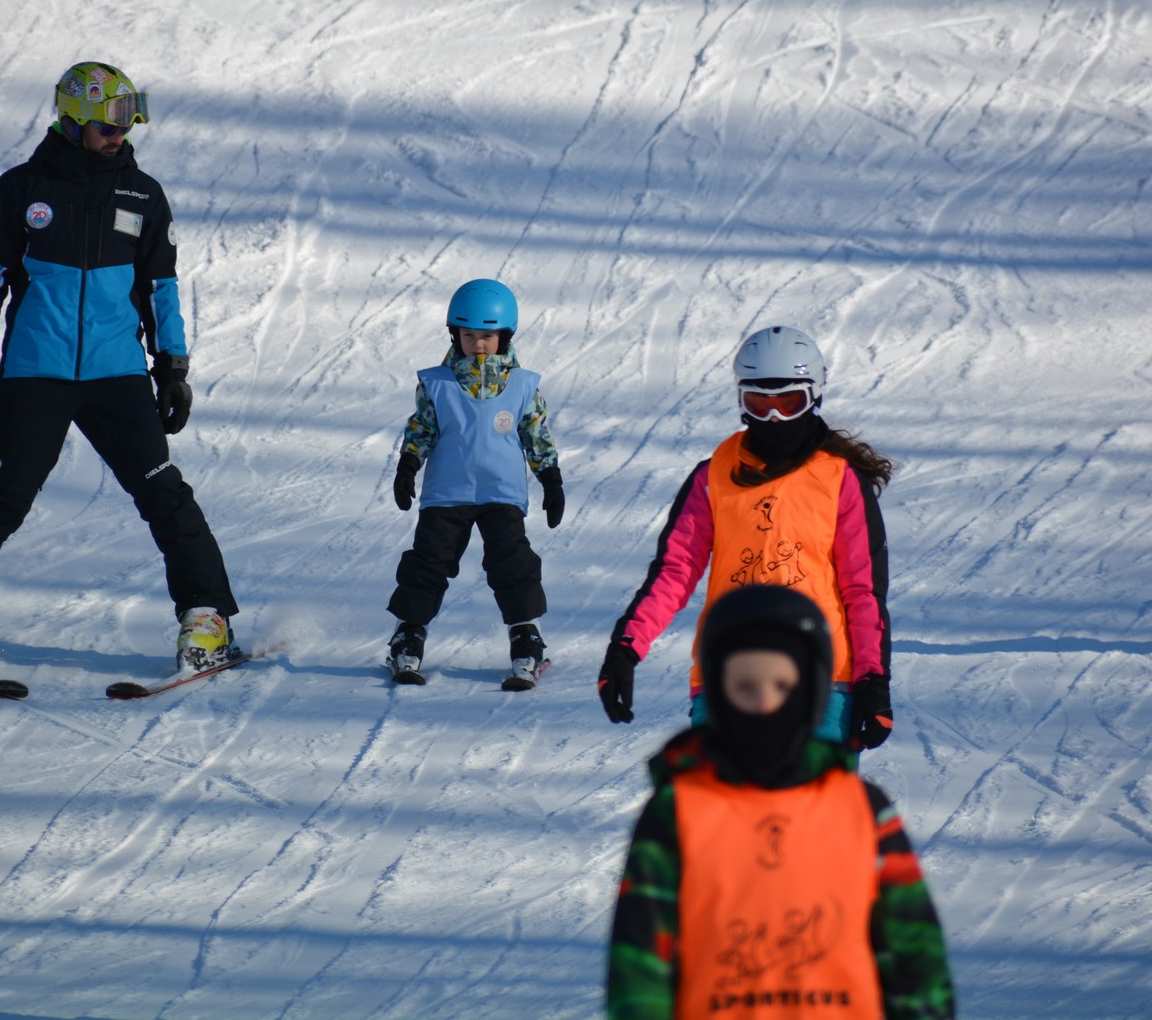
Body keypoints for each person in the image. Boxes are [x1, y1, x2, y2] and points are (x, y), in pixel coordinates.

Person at [0, 61, 239, 675]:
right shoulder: (20, 190)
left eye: (129, 122)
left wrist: (172, 366)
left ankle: (207, 616)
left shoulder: (143, 195)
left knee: (163, 492)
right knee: (4, 496)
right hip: (37, 373)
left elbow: (161, 288)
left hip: (117, 374)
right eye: (109, 123)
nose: (120, 134)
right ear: (74, 119)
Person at [605, 585, 954, 1019]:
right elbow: (641, 963)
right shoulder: (678, 811)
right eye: (744, 687)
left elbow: (913, 951)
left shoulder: (859, 808)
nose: (765, 702)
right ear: (718, 692)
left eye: (783, 686)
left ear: (811, 693)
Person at [595, 326, 894, 751]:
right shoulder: (714, 476)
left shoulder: (839, 481)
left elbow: (863, 591)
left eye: (788, 404)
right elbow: (674, 571)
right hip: (729, 679)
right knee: (724, 795)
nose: (773, 418)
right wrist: (625, 651)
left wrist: (872, 682)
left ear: (814, 396)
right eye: (759, 402)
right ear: (741, 400)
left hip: (822, 682)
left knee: (814, 795)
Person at [384, 278, 565, 690]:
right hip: (447, 494)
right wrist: (408, 465)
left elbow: (537, 435)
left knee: (513, 563)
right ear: (455, 335)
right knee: (428, 562)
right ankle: (407, 634)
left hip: (501, 494)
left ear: (504, 337)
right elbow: (422, 428)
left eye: (487, 336)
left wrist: (550, 479)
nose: (478, 345)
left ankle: (526, 635)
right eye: (468, 336)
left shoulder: (523, 386)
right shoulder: (437, 383)